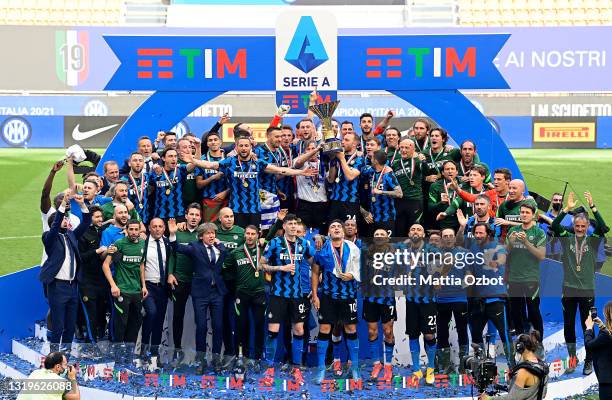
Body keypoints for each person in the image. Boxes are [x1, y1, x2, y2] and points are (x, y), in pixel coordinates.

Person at [197, 136, 317, 228]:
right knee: (239, 238)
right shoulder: (230, 162)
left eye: (246, 146)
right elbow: (210, 165)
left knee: (254, 238)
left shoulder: (258, 163)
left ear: (251, 147)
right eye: (241, 146)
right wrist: (193, 160)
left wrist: (300, 172)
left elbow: (281, 170)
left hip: (254, 209)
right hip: (236, 209)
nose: (244, 148)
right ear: (236, 147)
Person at [552, 191, 608, 375]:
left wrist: (593, 207)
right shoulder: (566, 237)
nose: (580, 229)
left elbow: (604, 227)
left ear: (587, 226)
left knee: (587, 326)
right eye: (577, 225)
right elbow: (554, 224)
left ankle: (589, 361)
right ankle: (573, 360)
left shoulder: (592, 241)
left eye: (583, 226)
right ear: (573, 225)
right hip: (568, 289)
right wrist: (566, 209)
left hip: (587, 290)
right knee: (568, 325)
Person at [261, 214, 315, 385]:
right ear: (284, 226)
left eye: (295, 223)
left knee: (299, 331)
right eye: (290, 223)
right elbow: (261, 265)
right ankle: (269, 369)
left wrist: (317, 278)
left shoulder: (304, 244)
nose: (293, 226)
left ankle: (296, 368)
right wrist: (280, 267)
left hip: (297, 296)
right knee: (273, 331)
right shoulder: (275, 243)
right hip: (278, 295)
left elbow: (315, 263)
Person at [169, 219, 228, 374]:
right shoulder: (195, 247)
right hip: (201, 293)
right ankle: (200, 361)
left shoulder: (221, 247)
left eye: (213, 233)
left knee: (218, 327)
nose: (211, 236)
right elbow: (176, 248)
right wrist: (173, 234)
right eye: (208, 233)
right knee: (201, 327)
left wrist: (220, 245)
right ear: (201, 236)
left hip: (217, 292)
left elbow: (223, 260)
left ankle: (216, 361)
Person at [40, 192, 91, 352]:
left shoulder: (71, 236)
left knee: (70, 326)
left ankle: (66, 356)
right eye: (63, 219)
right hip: (57, 286)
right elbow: (55, 226)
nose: (66, 221)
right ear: (55, 222)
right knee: (58, 325)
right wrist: (63, 204)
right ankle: (53, 355)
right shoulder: (49, 237)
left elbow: (86, 222)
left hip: (72, 286)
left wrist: (83, 205)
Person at [312, 220, 361, 384]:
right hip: (328, 296)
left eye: (338, 227)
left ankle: (354, 368)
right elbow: (315, 272)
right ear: (329, 232)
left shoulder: (353, 248)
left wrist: (353, 276)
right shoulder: (322, 249)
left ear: (343, 231)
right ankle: (321, 370)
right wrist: (315, 295)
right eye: (333, 227)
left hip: (348, 295)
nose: (336, 229)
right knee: (325, 329)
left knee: (351, 329)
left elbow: (360, 268)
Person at [464, 223, 515, 368]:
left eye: (481, 233)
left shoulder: (497, 246)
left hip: (496, 298)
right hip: (477, 300)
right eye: (476, 233)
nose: (478, 235)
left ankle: (512, 365)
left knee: (504, 334)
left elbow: (502, 259)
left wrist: (495, 262)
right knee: (475, 333)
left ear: (488, 233)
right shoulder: (472, 249)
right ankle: (480, 364)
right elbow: (469, 269)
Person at [223, 225, 267, 367]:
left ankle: (258, 357)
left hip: (259, 293)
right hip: (241, 294)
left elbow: (271, 238)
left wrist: (278, 222)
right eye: (247, 233)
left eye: (252, 234)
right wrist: (234, 285)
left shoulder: (263, 249)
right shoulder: (236, 252)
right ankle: (242, 356)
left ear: (257, 235)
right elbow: (225, 268)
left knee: (259, 325)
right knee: (242, 325)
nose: (249, 236)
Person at [102, 219, 145, 351]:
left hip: (137, 292)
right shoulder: (119, 244)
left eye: (136, 229)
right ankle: (117, 358)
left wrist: (144, 285)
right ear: (126, 230)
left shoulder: (143, 244)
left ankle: (129, 356)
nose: (133, 232)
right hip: (122, 291)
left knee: (135, 324)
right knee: (121, 325)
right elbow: (105, 265)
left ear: (139, 231)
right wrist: (113, 285)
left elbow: (141, 265)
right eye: (130, 229)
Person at [433, 228, 472, 374]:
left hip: (460, 299)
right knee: (442, 333)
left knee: (462, 331)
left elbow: (469, 276)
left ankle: (464, 366)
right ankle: (444, 366)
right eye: (445, 236)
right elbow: (433, 281)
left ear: (455, 238)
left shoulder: (464, 253)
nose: (448, 238)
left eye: (451, 235)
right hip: (441, 300)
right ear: (441, 238)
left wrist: (460, 285)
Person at [403, 224, 437, 384]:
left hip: (428, 300)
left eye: (419, 229)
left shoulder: (431, 250)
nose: (415, 231)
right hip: (410, 300)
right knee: (413, 334)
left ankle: (430, 368)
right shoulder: (402, 251)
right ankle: (416, 369)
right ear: (409, 233)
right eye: (413, 229)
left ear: (423, 234)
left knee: (429, 334)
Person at [167, 203, 201, 362]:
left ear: (200, 218)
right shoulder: (177, 233)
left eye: (197, 215)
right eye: (191, 214)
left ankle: (199, 354)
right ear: (186, 216)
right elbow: (171, 255)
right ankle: (177, 349)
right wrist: (170, 273)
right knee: (177, 316)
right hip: (179, 280)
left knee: (199, 319)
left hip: (197, 282)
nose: (194, 218)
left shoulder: (203, 234)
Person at [507, 203, 546, 340]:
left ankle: (539, 341)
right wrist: (510, 243)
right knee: (516, 311)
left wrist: (526, 243)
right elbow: (505, 253)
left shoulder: (538, 233)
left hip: (531, 278)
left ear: (533, 214)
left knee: (533, 311)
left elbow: (541, 256)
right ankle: (520, 340)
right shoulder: (513, 230)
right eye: (522, 212)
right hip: (514, 278)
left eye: (527, 212)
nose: (524, 214)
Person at [361, 229, 396, 382]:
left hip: (387, 298)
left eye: (382, 235)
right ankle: (377, 364)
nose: (379, 237)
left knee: (388, 332)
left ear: (387, 238)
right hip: (370, 298)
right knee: (372, 332)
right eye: (376, 235)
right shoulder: (366, 253)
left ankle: (388, 365)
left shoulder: (395, 254)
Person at [140, 218, 174, 364]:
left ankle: (154, 355)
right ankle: (143, 349)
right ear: (149, 228)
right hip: (148, 287)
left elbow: (173, 261)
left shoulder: (167, 243)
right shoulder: (144, 243)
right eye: (154, 227)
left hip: (162, 288)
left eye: (160, 226)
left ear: (164, 228)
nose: (157, 229)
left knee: (159, 322)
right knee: (151, 313)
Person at [479, 331, 549, 400]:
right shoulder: (543, 366)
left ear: (520, 347)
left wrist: (489, 398)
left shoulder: (523, 371)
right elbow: (542, 394)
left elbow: (511, 398)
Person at [76, 206, 108, 344]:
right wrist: (96, 251)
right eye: (97, 217)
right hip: (87, 281)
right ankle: (91, 343)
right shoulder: (82, 234)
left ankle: (100, 338)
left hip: (101, 279)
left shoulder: (103, 232)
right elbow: (80, 257)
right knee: (91, 314)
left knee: (101, 311)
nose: (100, 219)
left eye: (101, 217)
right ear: (90, 219)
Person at [360, 150, 402, 236]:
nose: (370, 159)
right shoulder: (371, 171)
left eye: (371, 158)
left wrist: (381, 192)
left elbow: (399, 193)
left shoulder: (388, 174)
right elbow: (361, 171)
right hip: (372, 217)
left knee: (388, 245)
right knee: (371, 245)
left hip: (386, 217)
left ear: (375, 161)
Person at [327, 132, 366, 222]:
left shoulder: (360, 159)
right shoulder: (338, 156)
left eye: (346, 140)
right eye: (343, 139)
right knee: (333, 230)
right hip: (335, 200)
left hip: (350, 201)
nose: (343, 142)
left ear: (354, 144)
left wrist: (342, 159)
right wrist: (333, 161)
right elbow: (331, 179)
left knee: (349, 231)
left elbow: (350, 176)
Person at [392, 137, 426, 236]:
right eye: (401, 147)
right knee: (399, 231)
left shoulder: (417, 161)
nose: (403, 150)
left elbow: (428, 171)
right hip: (399, 201)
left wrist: (423, 161)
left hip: (415, 200)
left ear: (413, 150)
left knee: (416, 230)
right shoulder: (395, 163)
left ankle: (418, 251)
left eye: (406, 147)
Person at [293, 141, 328, 234]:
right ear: (304, 152)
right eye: (308, 149)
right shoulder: (300, 162)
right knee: (301, 233)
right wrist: (316, 149)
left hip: (321, 205)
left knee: (321, 235)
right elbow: (298, 162)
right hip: (304, 205)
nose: (311, 151)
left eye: (313, 148)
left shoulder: (324, 164)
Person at [195, 131, 228, 222]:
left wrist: (226, 192)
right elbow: (198, 184)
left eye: (215, 139)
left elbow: (236, 181)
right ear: (207, 144)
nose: (213, 142)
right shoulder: (202, 160)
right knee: (210, 229)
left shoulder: (229, 158)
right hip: (210, 201)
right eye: (210, 140)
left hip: (228, 199)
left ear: (220, 142)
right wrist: (212, 178)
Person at [585, 301, 612, 400]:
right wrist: (601, 326)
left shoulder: (605, 335)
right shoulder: (606, 334)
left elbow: (589, 345)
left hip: (607, 384)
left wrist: (589, 328)